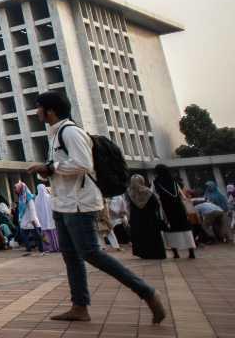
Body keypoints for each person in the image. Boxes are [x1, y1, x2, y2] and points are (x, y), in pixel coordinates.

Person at [28, 91, 165, 324]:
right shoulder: (54, 135)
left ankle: (147, 292)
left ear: (50, 110)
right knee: (71, 257)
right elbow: (63, 168)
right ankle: (79, 306)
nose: (37, 111)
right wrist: (47, 171)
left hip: (80, 203)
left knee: (91, 253)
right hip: (63, 203)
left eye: (39, 107)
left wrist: (50, 168)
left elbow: (83, 164)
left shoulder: (69, 132)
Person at [152, 165, 197, 259]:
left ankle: (175, 253)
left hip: (166, 209)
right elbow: (182, 195)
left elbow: (153, 195)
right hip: (179, 208)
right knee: (185, 228)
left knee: (170, 229)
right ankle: (191, 252)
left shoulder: (156, 182)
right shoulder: (174, 181)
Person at [125, 176, 166, 259]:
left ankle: (144, 254)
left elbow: (129, 206)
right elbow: (156, 204)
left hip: (136, 218)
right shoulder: (148, 191)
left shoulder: (130, 192)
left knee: (141, 236)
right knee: (152, 235)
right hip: (150, 217)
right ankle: (157, 254)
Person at [15, 182, 44, 256]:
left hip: (31, 219)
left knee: (37, 235)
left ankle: (41, 249)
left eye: (16, 188)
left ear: (21, 189)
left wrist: (33, 219)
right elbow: (21, 209)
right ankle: (29, 248)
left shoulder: (28, 198)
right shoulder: (21, 197)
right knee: (23, 234)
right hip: (24, 220)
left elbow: (32, 209)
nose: (15, 190)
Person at [33, 184, 59, 252]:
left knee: (45, 234)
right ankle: (56, 247)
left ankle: (48, 248)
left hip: (43, 220)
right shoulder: (49, 197)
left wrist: (39, 218)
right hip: (50, 218)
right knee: (53, 234)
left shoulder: (37, 199)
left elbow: (36, 210)